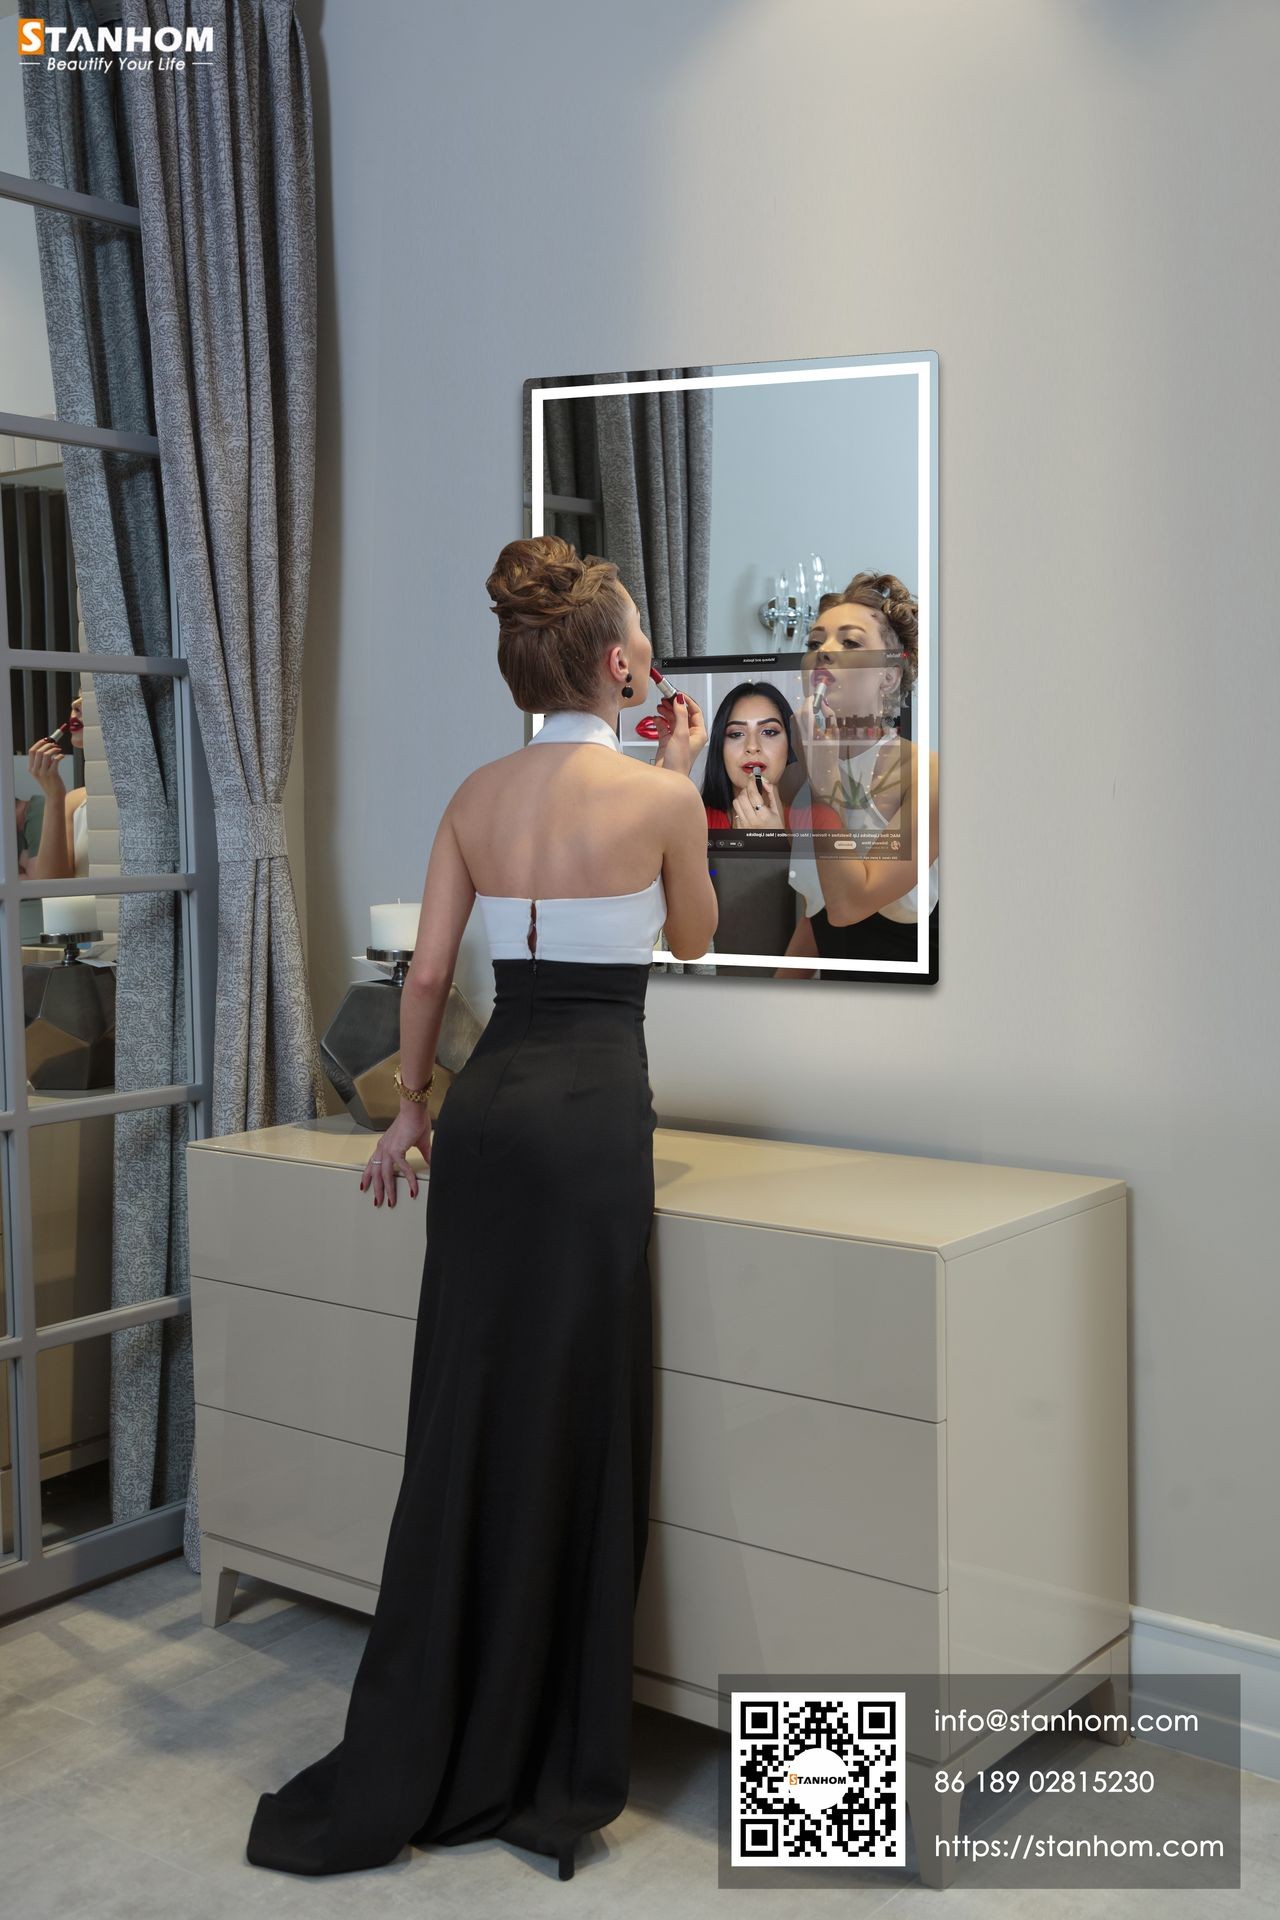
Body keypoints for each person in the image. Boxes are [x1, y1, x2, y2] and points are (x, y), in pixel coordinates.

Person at [246, 535, 718, 1883]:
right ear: (620, 664)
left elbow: (425, 980)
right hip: (588, 1130)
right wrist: (675, 781)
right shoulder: (657, 799)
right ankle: (547, 1764)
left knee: (467, 1413)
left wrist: (409, 1113)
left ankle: (435, 1725)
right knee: (574, 1425)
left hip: (488, 1113)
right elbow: (688, 940)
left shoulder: (472, 791)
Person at [781, 572, 939, 979]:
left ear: (890, 675)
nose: (824, 652)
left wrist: (823, 778)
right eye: (814, 643)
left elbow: (850, 905)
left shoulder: (929, 775)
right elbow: (817, 916)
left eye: (850, 642)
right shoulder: (796, 781)